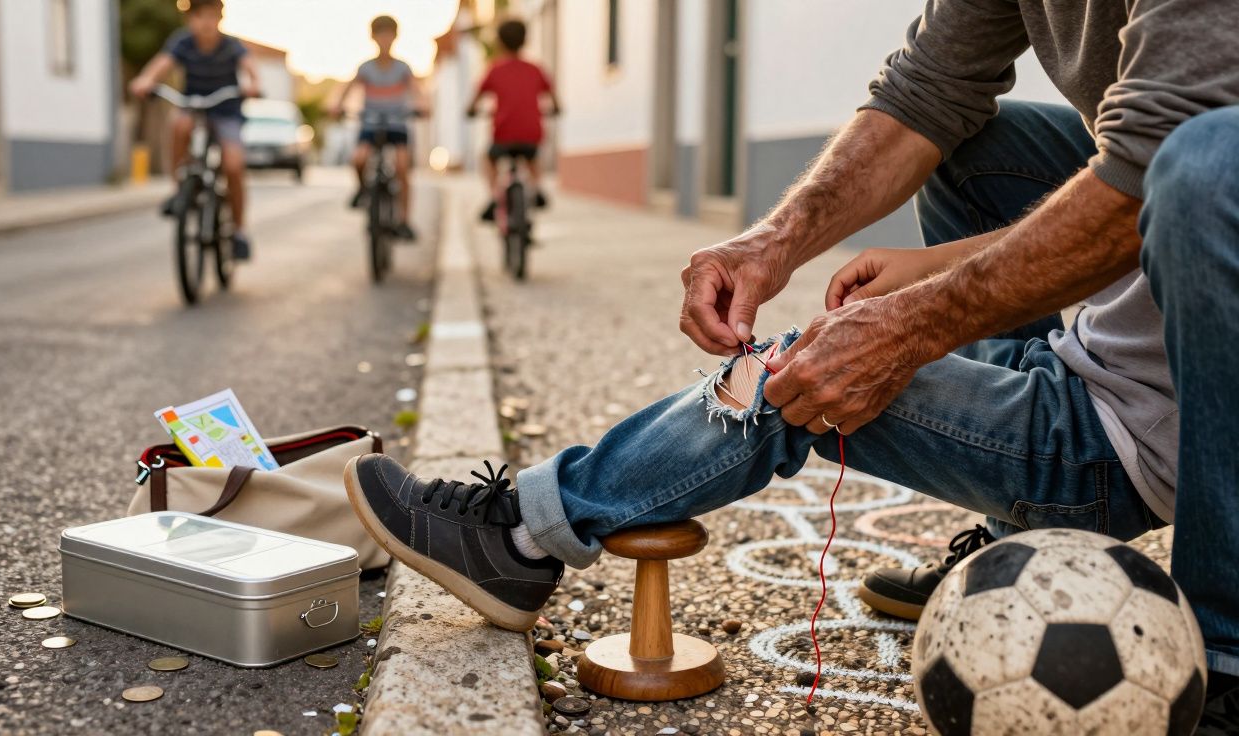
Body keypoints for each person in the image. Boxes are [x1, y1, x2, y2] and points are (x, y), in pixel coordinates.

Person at [344, 0, 1239, 728]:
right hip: (1125, 352)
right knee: (986, 146)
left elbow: (1161, 165)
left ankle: (522, 538)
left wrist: (912, 325)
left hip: (1120, 438)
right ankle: (1023, 536)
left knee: (793, 378)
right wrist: (775, 244)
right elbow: (927, 94)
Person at [129, 0, 260, 259]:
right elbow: (161, 64)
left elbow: (249, 67)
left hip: (226, 109)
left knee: (233, 165)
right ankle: (180, 190)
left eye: (212, 16)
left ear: (220, 19)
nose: (206, 22)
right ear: (190, 19)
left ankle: (239, 231)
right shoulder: (183, 42)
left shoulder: (231, 46)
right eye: (199, 16)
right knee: (179, 124)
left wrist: (253, 83)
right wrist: (146, 79)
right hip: (193, 105)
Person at [329, 15, 423, 241]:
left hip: (397, 124)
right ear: (373, 37)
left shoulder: (402, 68)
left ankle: (404, 220)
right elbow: (346, 89)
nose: (385, 39)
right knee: (358, 160)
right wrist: (336, 105)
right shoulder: (366, 68)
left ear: (395, 37)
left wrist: (423, 105)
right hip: (370, 123)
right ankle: (364, 190)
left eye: (388, 34)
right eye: (380, 34)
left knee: (401, 168)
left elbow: (417, 91)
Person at [466, 19, 560, 223]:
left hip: (503, 134)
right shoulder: (535, 69)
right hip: (531, 133)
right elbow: (553, 96)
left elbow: (475, 99)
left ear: (500, 42)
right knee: (533, 158)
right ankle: (536, 188)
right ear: (525, 41)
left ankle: (494, 196)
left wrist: (471, 110)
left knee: (487, 159)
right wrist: (556, 108)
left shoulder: (495, 69)